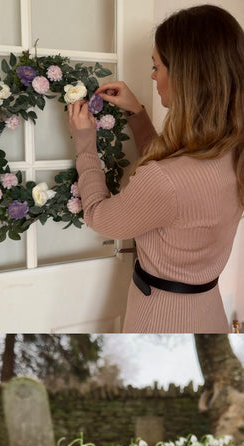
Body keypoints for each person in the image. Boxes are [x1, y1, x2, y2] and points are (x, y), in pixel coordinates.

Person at [67, 4, 244, 333]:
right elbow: (181, 183)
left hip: (161, 318)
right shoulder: (233, 151)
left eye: (156, 66)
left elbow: (100, 217)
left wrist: (85, 144)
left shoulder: (167, 180)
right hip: (209, 312)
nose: (152, 75)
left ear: (184, 77)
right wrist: (138, 115)